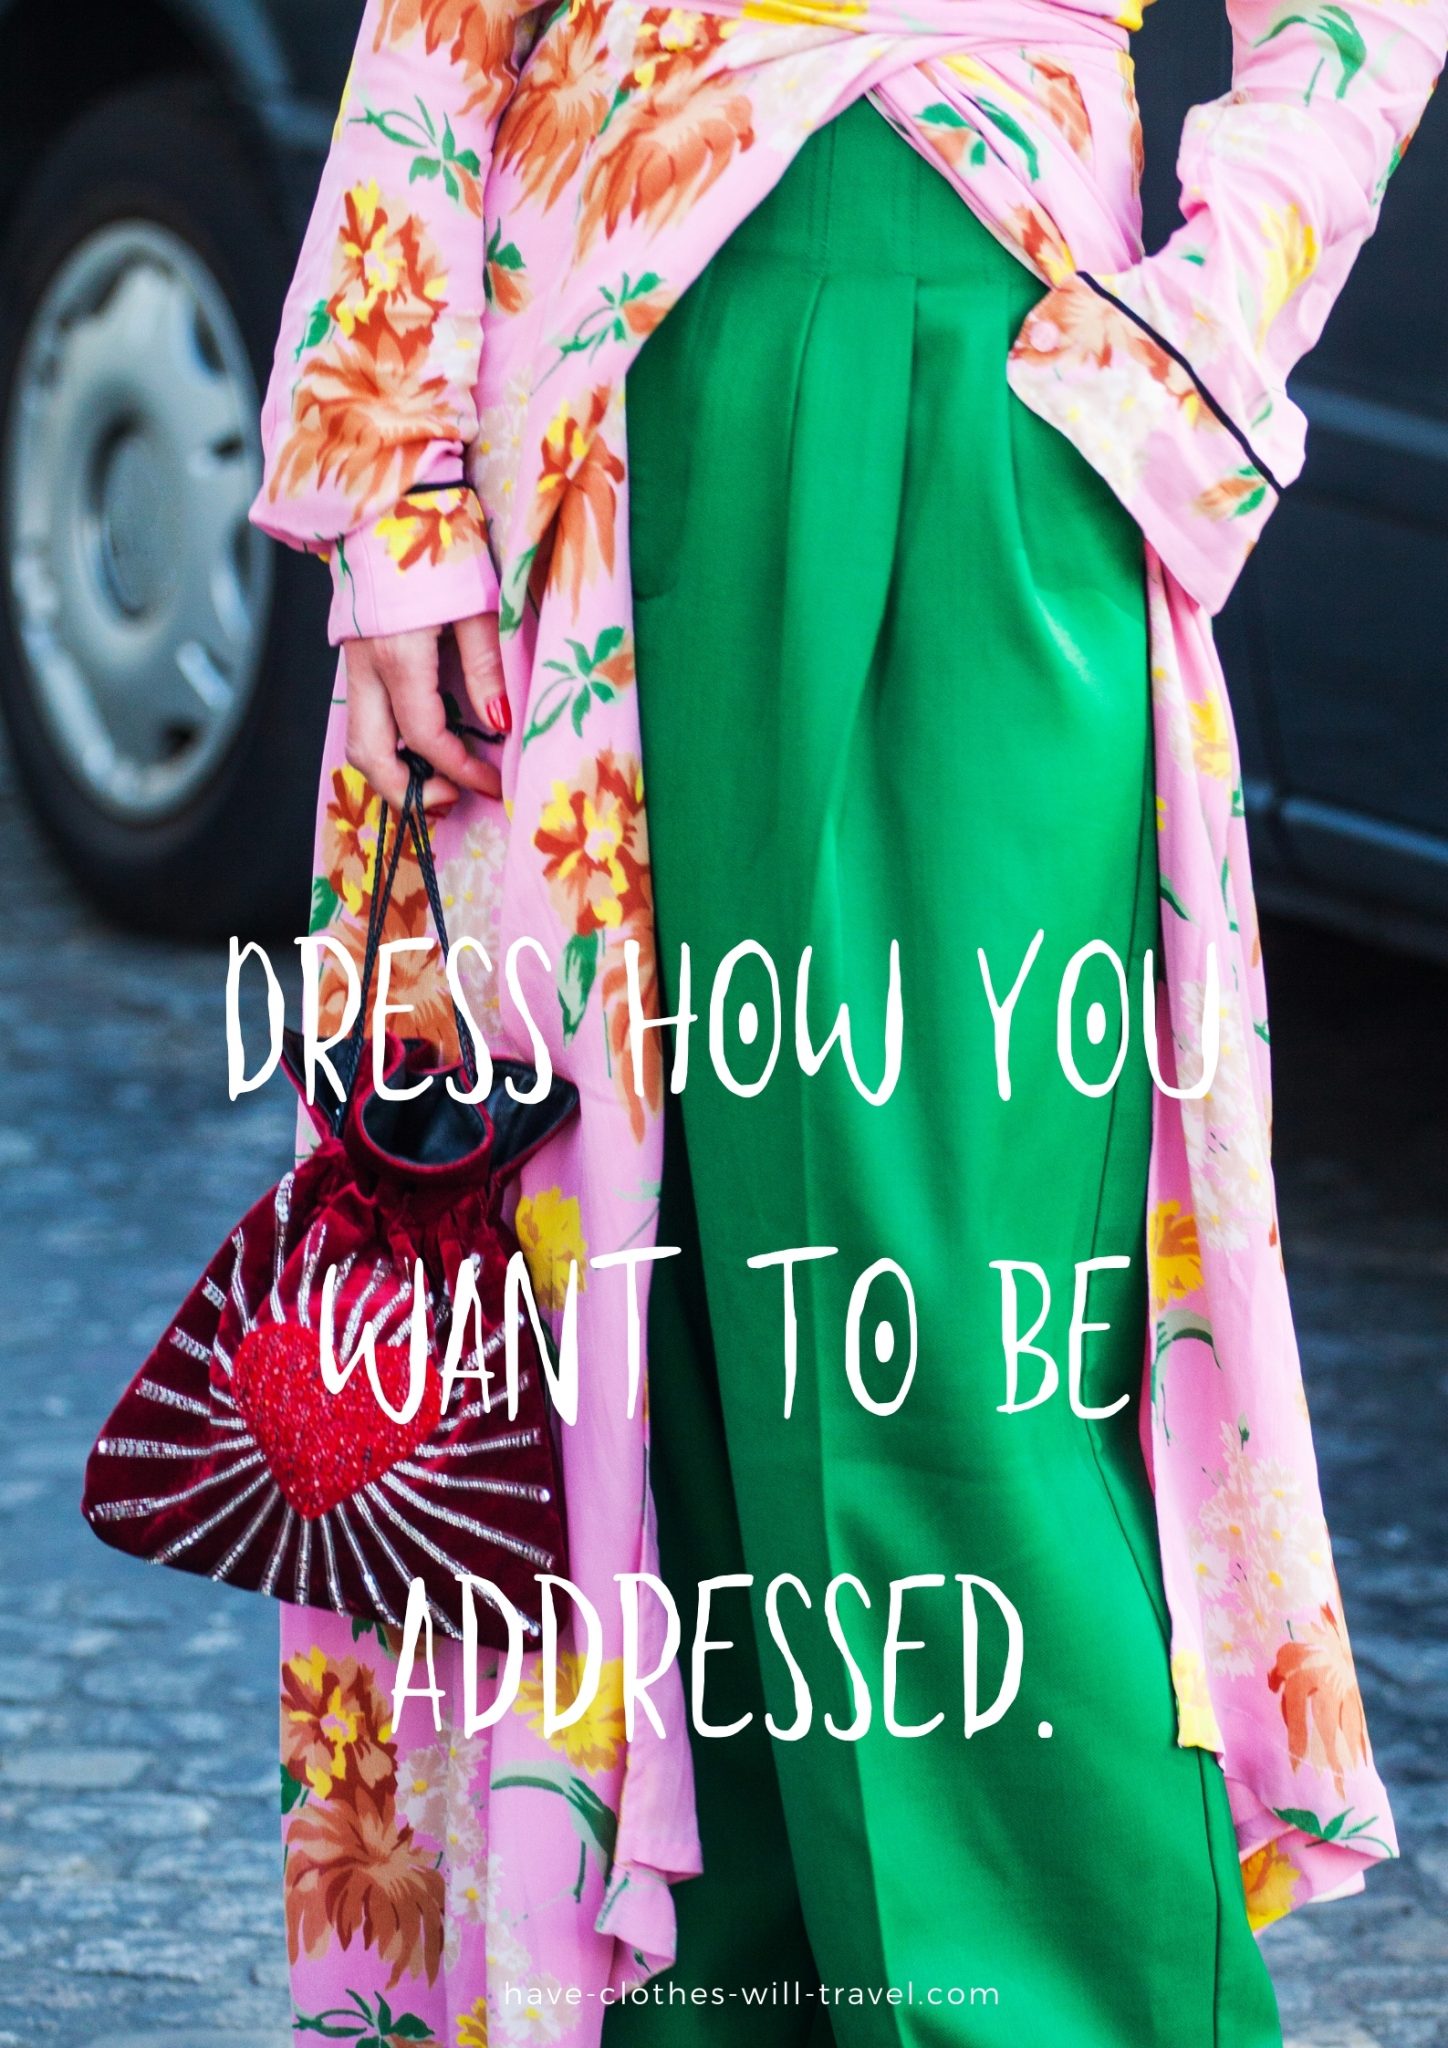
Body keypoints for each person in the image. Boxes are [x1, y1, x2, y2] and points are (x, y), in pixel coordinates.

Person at [249, 0, 1438, 2040]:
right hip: (591, 420)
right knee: (629, 1309)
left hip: (989, 406)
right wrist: (395, 490)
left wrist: (1193, 328)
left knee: (948, 1326)